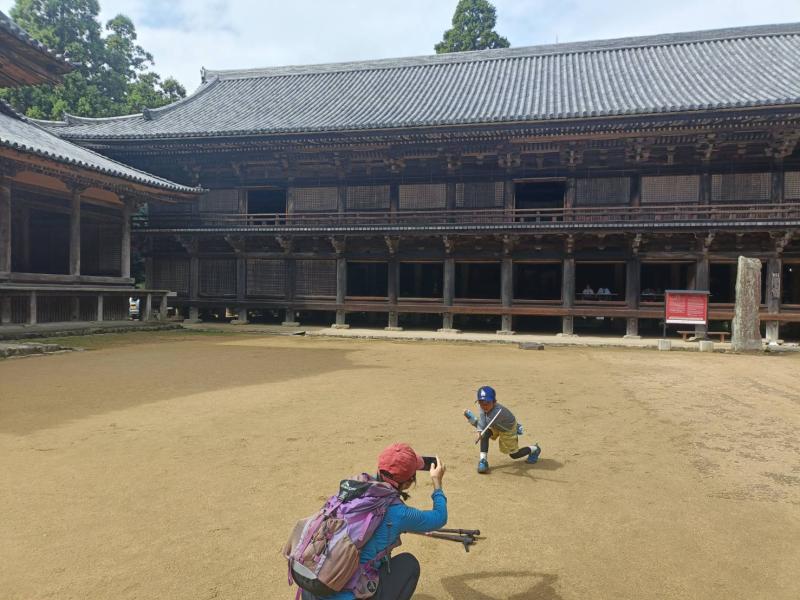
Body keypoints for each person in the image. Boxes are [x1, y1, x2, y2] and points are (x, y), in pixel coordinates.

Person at [302, 443, 447, 600]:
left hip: (314, 586)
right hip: (348, 593)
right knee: (409, 564)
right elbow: (439, 517)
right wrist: (437, 482)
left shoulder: (353, 487)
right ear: (407, 483)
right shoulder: (400, 513)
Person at [464, 385, 541, 474]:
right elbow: (482, 419)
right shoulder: (483, 407)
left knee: (514, 455)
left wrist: (473, 422)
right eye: (481, 403)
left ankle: (535, 449)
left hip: (508, 430)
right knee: (484, 434)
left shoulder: (498, 412)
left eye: (487, 403)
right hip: (496, 426)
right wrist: (479, 431)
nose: (484, 406)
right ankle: (483, 461)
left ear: (494, 402)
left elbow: (484, 424)